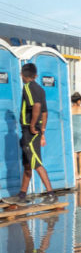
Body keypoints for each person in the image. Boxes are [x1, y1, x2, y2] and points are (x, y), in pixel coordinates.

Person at [5, 63, 56, 204]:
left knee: (36, 163)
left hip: (29, 131)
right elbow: (45, 112)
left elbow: (37, 106)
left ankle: (51, 194)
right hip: (33, 132)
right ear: (35, 75)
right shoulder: (40, 89)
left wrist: (33, 126)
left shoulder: (27, 87)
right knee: (28, 164)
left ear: (22, 75)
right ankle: (22, 195)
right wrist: (43, 130)